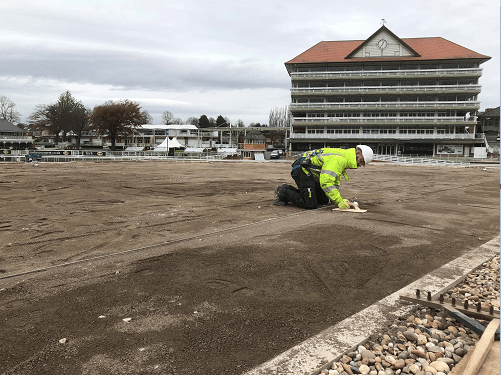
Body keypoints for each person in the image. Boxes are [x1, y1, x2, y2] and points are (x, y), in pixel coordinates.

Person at [273, 145, 373, 210]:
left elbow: (334, 180)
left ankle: (290, 190)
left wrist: (335, 199)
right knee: (311, 204)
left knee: (323, 200)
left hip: (309, 172)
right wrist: (339, 201)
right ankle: (282, 191)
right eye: (361, 161)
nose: (360, 165)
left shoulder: (344, 158)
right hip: (301, 170)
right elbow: (326, 182)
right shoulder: (339, 160)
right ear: (357, 153)